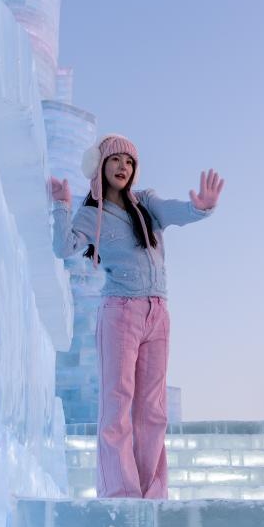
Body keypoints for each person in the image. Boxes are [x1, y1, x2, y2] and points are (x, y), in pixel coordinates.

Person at [49, 134, 223, 499]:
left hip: (157, 313)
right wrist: (62, 206)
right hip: (120, 313)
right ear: (99, 167)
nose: (122, 167)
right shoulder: (89, 215)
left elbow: (178, 211)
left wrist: (201, 208)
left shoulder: (147, 205)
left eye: (128, 162)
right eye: (115, 160)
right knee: (117, 403)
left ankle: (151, 492)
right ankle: (120, 493)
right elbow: (63, 246)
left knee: (152, 409)